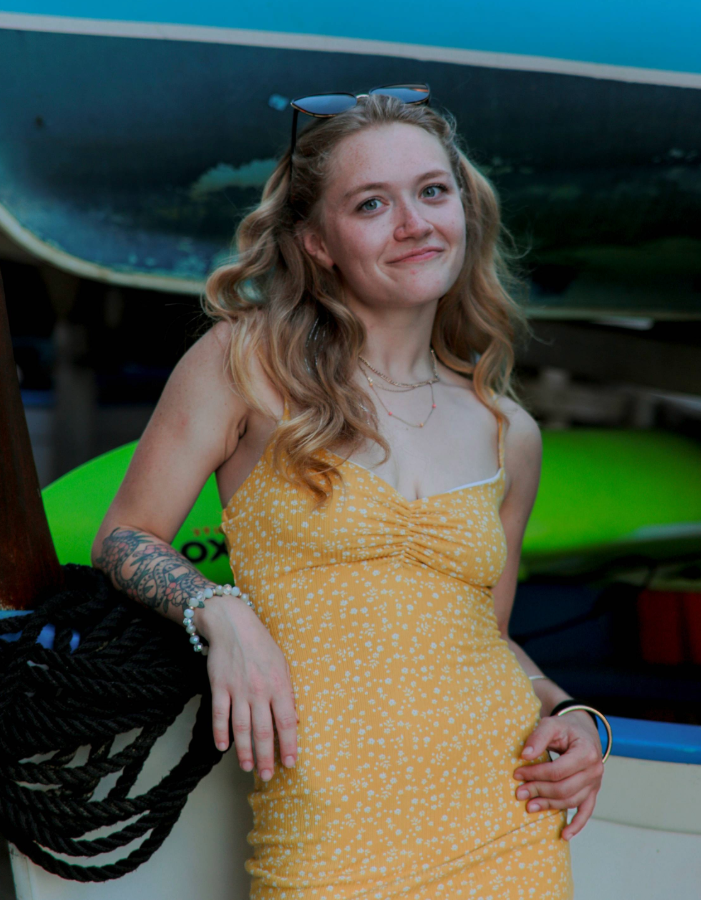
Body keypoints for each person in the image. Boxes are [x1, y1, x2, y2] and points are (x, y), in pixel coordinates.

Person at [90, 87, 604, 898]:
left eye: (433, 192)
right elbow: (124, 537)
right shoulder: (245, 362)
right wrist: (221, 610)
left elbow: (484, 635)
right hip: (327, 835)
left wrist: (573, 712)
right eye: (372, 204)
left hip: (507, 819)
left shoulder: (509, 430)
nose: (414, 223)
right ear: (317, 242)